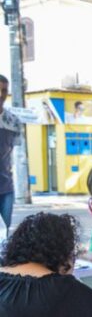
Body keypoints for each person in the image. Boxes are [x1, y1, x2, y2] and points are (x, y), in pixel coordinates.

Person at [0, 75, 21, 237]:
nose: (1, 94)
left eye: (4, 90)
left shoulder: (13, 121)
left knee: (3, 232)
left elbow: (13, 153)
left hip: (6, 187)